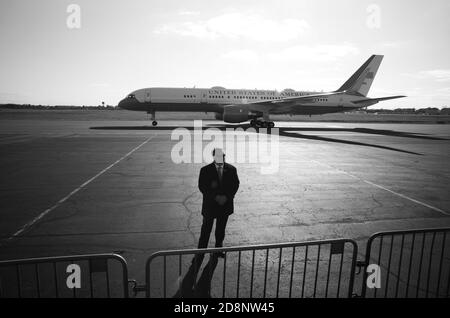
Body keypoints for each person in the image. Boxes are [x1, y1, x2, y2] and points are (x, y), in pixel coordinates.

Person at [197, 148, 239, 257]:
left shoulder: (232, 169)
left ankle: (218, 250)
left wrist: (227, 197)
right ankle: (201, 252)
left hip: (224, 205)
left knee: (220, 230)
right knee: (206, 229)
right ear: (214, 157)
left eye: (223, 156)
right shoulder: (205, 170)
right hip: (210, 206)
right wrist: (216, 197)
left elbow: (235, 185)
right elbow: (203, 187)